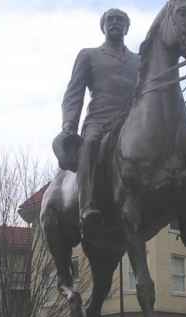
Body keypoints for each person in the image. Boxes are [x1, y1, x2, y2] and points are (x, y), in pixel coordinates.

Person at [53, 8, 140, 234]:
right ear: (103, 26)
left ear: (127, 27)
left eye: (120, 20)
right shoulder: (88, 55)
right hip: (100, 120)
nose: (115, 23)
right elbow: (74, 93)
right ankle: (86, 205)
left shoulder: (138, 60)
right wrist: (69, 126)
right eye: (110, 20)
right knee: (89, 144)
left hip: (132, 122)